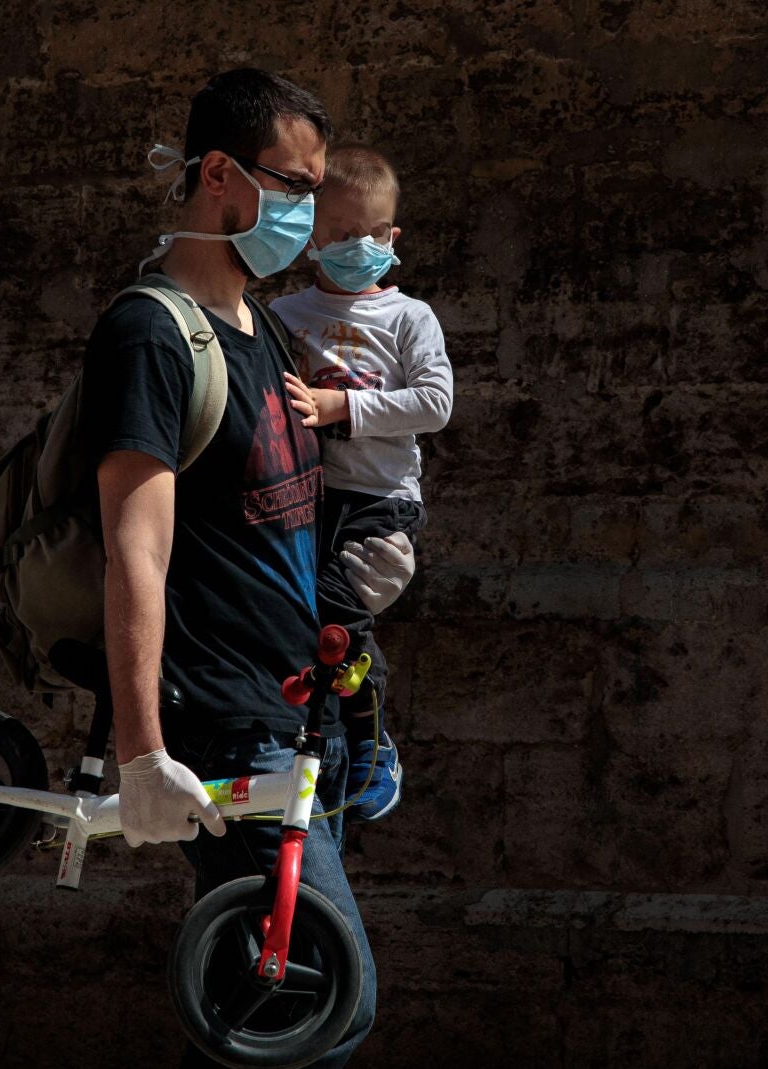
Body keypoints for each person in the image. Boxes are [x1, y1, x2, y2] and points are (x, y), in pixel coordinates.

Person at [76, 68, 375, 1066]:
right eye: (294, 187)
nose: (308, 215)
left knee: (266, 1010)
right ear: (218, 175)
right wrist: (141, 754)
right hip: (223, 721)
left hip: (295, 719)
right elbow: (137, 546)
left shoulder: (257, 330)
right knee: (332, 1005)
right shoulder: (149, 335)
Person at [274, 144, 453, 822]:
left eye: (372, 234)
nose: (358, 247)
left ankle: (374, 746)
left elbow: (435, 402)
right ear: (312, 236)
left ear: (393, 237)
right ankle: (323, 743)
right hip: (307, 498)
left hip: (381, 502)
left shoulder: (409, 317)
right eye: (342, 233)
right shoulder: (285, 316)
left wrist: (340, 407)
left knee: (337, 613)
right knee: (308, 620)